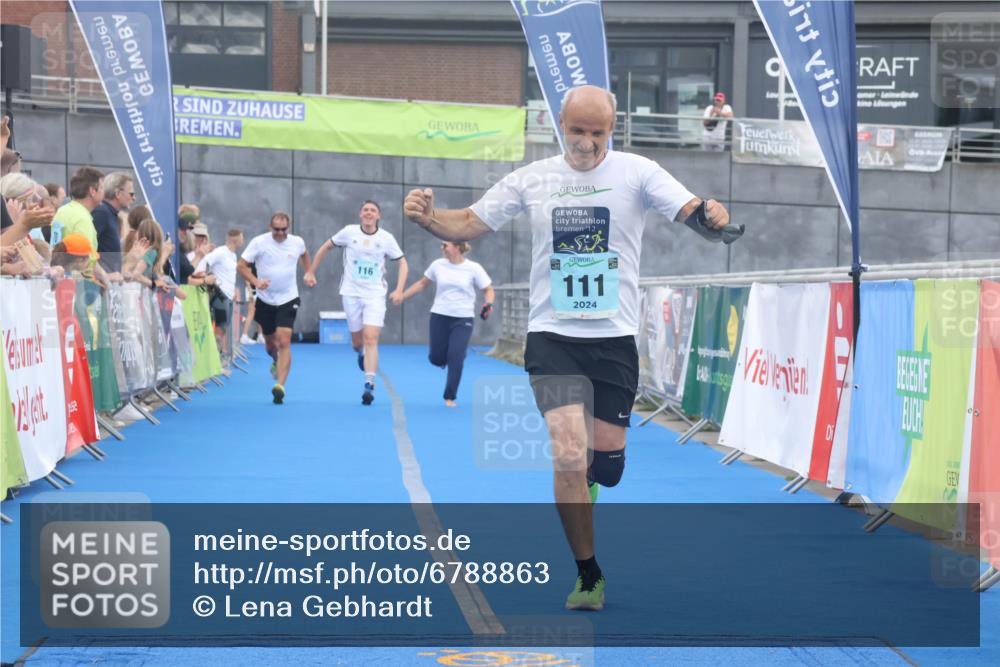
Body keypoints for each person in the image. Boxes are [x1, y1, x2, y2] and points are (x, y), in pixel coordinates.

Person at [404, 85, 742, 612]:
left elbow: (693, 212)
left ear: (613, 130)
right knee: (565, 451)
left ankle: (591, 477)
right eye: (577, 131)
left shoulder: (638, 172)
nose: (586, 143)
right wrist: (428, 218)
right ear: (560, 124)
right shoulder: (534, 178)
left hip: (613, 340)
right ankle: (589, 574)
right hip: (553, 336)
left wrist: (713, 215)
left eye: (597, 133)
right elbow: (470, 221)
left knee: (606, 465)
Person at [304, 200, 407, 406]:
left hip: (375, 294)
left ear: (378, 216)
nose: (369, 213)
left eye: (373, 211)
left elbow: (403, 262)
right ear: (361, 214)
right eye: (366, 210)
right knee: (358, 343)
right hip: (351, 293)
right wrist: (311, 271)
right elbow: (326, 247)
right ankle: (360, 353)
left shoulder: (386, 238)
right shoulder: (349, 232)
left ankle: (369, 384)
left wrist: (399, 289)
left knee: (371, 338)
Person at [398, 241, 493, 407]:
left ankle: (450, 396)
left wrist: (488, 303)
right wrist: (403, 295)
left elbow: (488, 289)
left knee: (455, 357)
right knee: (436, 358)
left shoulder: (474, 268)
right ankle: (447, 357)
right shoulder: (437, 265)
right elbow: (422, 284)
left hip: (463, 318)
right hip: (439, 316)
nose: (442, 248)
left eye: (445, 245)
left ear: (457, 247)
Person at [238, 212, 310, 404]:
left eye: (283, 229)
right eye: (276, 229)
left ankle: (280, 386)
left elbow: (304, 254)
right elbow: (242, 265)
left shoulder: (297, 242)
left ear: (289, 228)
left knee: (284, 340)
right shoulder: (259, 242)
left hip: (288, 297)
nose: (279, 233)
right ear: (271, 228)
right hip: (265, 300)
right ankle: (275, 360)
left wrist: (309, 272)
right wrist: (255, 281)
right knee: (271, 345)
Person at [198, 229, 245, 354]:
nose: (243, 240)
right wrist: (204, 278)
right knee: (220, 327)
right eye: (242, 237)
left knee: (223, 328)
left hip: (228, 296)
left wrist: (232, 290)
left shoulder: (233, 255)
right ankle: (214, 359)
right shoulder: (220, 252)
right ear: (235, 239)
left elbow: (229, 274)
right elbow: (204, 261)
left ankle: (216, 358)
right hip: (219, 294)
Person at [91, 171, 135, 275]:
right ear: (118, 194)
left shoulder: (110, 214)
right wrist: (105, 276)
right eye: (131, 194)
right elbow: (86, 250)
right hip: (98, 286)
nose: (134, 198)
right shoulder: (102, 213)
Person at [51, 166, 104, 248]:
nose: (104, 192)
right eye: (102, 187)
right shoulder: (82, 219)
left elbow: (54, 246)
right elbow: (85, 259)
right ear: (92, 191)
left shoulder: (62, 211)